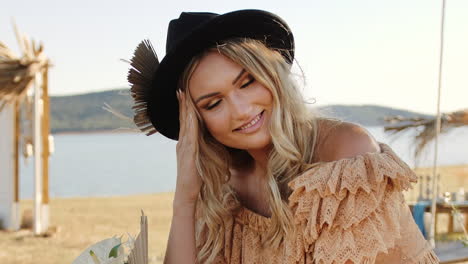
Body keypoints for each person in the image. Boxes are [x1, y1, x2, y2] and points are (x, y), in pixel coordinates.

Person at [127, 10, 440, 264]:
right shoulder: (224, 192)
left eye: (247, 82)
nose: (241, 110)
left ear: (272, 74)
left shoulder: (346, 154)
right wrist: (185, 199)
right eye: (214, 103)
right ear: (197, 122)